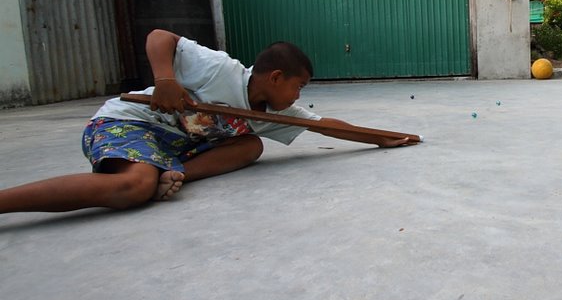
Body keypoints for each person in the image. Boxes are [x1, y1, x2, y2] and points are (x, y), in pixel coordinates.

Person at [0, 29, 405, 214]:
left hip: (175, 149)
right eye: (299, 86)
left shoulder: (275, 115)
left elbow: (324, 125)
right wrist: (164, 80)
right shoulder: (220, 70)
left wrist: (380, 138)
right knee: (132, 187)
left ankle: (171, 173)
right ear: (276, 78)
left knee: (251, 145)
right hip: (130, 123)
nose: (300, 96)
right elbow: (161, 37)